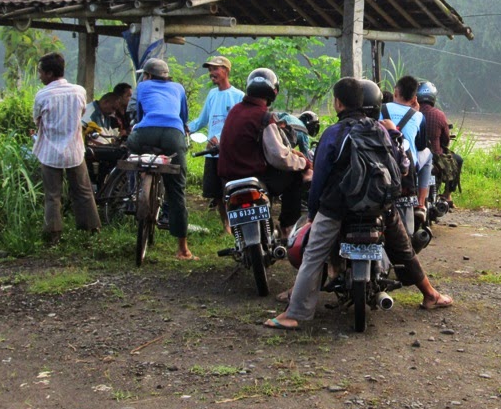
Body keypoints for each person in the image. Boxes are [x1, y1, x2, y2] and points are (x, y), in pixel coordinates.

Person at [268, 78, 452, 330]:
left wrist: (313, 214)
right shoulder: (381, 130)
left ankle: (294, 314)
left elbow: (319, 180)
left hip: (337, 208)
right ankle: (431, 295)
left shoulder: (333, 133)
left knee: (313, 255)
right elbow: (403, 167)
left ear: (338, 103)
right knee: (404, 249)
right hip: (379, 206)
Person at [218, 68, 310, 236]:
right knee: (295, 176)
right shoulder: (264, 117)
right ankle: (287, 227)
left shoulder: (234, 111)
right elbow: (279, 157)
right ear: (273, 92)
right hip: (256, 177)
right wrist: (303, 163)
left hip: (228, 179)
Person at [126, 58, 195, 260]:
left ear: (147, 75)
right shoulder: (178, 88)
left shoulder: (143, 86)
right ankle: (183, 249)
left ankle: (141, 178)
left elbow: (138, 116)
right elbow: (183, 117)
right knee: (177, 191)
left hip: (145, 132)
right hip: (174, 133)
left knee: (131, 144)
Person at [32, 52, 101, 244]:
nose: (39, 76)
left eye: (40, 72)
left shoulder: (42, 95)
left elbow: (37, 120)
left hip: (50, 152)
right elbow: (82, 112)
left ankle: (53, 234)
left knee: (53, 195)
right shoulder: (79, 91)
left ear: (49, 73)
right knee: (83, 190)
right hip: (74, 150)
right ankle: (91, 228)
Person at [188, 55, 244, 221]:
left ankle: (236, 222)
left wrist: (221, 139)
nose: (211, 73)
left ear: (225, 71)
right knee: (216, 193)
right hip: (212, 152)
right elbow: (202, 119)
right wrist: (185, 128)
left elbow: (238, 125)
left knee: (231, 190)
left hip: (228, 153)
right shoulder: (212, 94)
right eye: (210, 70)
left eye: (215, 69)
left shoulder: (238, 96)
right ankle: (225, 223)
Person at [382, 75, 432, 216]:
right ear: (414, 97)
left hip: (383, 161)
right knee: (428, 155)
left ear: (395, 92)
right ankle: (421, 203)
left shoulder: (381, 109)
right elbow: (421, 146)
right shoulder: (419, 116)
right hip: (408, 165)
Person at [416, 80, 463, 207]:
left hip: (415, 157)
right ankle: (447, 194)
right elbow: (445, 140)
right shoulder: (439, 115)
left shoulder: (413, 114)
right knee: (458, 159)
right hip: (437, 160)